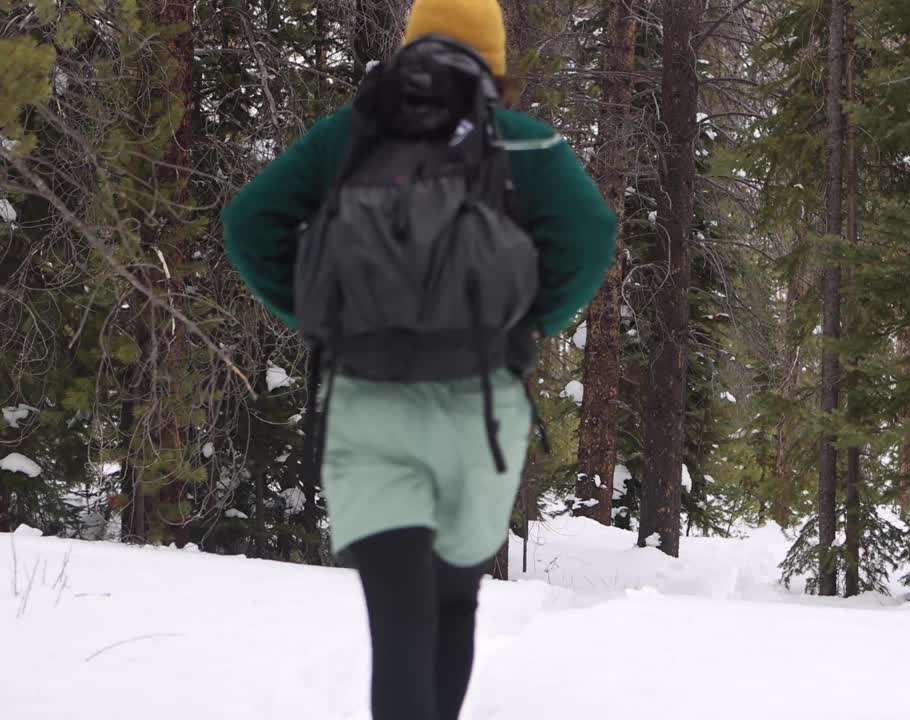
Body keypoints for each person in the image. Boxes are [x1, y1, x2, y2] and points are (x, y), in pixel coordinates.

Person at [221, 1, 616, 718]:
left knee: (398, 626)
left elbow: (250, 222)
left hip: (364, 405)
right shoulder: (522, 143)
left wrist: (325, 321)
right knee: (454, 605)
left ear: (410, 49)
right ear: (494, 62)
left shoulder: (355, 133)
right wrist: (522, 328)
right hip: (480, 412)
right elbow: (590, 235)